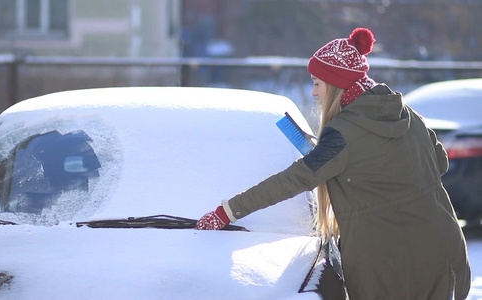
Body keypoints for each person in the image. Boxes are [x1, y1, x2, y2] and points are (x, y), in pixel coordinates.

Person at [195, 28, 471, 299]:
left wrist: (227, 212)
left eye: (317, 83)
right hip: (444, 250)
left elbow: (292, 180)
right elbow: (440, 162)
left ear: (337, 85)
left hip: (391, 264)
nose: (314, 93)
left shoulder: (342, 136)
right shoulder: (407, 114)